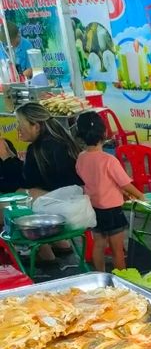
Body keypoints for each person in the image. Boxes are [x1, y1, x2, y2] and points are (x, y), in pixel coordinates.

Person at [76, 111, 145, 272]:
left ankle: (100, 275)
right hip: (112, 210)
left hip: (94, 208)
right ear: (104, 133)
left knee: (99, 244)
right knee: (117, 250)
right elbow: (125, 183)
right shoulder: (108, 160)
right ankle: (122, 279)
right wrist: (141, 196)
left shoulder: (81, 157)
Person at [16, 102, 82, 262]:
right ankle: (61, 243)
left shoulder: (38, 150)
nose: (18, 129)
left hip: (66, 207)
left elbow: (28, 182)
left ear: (36, 126)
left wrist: (9, 160)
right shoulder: (63, 139)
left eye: (20, 124)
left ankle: (44, 252)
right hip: (79, 199)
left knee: (18, 196)